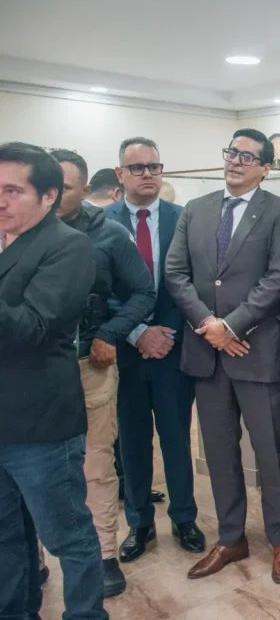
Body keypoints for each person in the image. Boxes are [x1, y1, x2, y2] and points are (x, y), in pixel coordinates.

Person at [164, 128, 280, 583]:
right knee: (221, 452)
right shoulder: (196, 209)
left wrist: (232, 326)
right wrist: (210, 325)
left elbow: (279, 278)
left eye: (247, 157)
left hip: (259, 351)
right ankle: (231, 538)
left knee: (272, 454)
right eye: (232, 153)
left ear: (266, 168)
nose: (235, 162)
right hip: (208, 354)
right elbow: (176, 273)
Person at [0, 142, 106, 620]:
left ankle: (86, 613)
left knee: (68, 535)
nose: (1, 200)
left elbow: (35, 328)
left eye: (13, 190)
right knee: (5, 534)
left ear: (47, 195)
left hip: (40, 424)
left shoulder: (67, 245)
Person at [53, 149, 156, 598]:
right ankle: (30, 557)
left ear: (83, 189)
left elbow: (143, 291)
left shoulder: (108, 233)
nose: (53, 196)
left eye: (63, 188)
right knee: (30, 466)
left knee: (96, 463)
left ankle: (104, 554)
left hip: (87, 366)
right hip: (28, 371)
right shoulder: (15, 231)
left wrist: (110, 334)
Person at [106, 137, 205, 564]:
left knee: (177, 438)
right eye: (137, 167)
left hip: (173, 349)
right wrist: (137, 332)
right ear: (120, 174)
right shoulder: (101, 223)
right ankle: (139, 522)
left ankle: (184, 517)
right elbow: (99, 289)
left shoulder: (183, 219)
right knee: (131, 442)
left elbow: (194, 284)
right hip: (124, 353)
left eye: (154, 166)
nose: (147, 174)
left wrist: (167, 334)